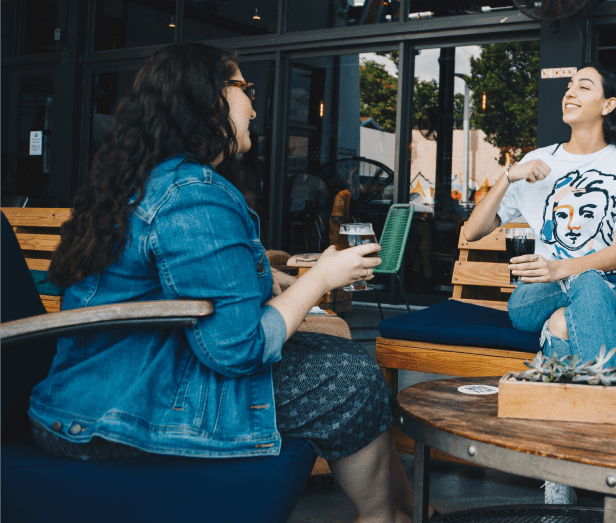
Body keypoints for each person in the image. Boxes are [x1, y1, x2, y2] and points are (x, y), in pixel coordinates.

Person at [35, 43, 423, 523]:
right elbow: (237, 348)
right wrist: (322, 278)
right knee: (347, 377)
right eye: (245, 88)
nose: (255, 107)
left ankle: (399, 512)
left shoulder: (151, 180)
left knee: (336, 358)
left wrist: (271, 277)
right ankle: (389, 515)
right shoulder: (193, 196)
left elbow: (176, 287)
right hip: (113, 412)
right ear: (208, 97)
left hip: (100, 388)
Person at [461, 63, 616, 507]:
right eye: (568, 86)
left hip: (610, 293)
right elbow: (471, 231)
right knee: (577, 284)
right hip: (533, 298)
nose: (570, 92)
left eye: (583, 86)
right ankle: (615, 452)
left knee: (568, 320)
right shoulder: (537, 162)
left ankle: (558, 470)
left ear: (607, 105)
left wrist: (563, 268)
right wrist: (509, 174)